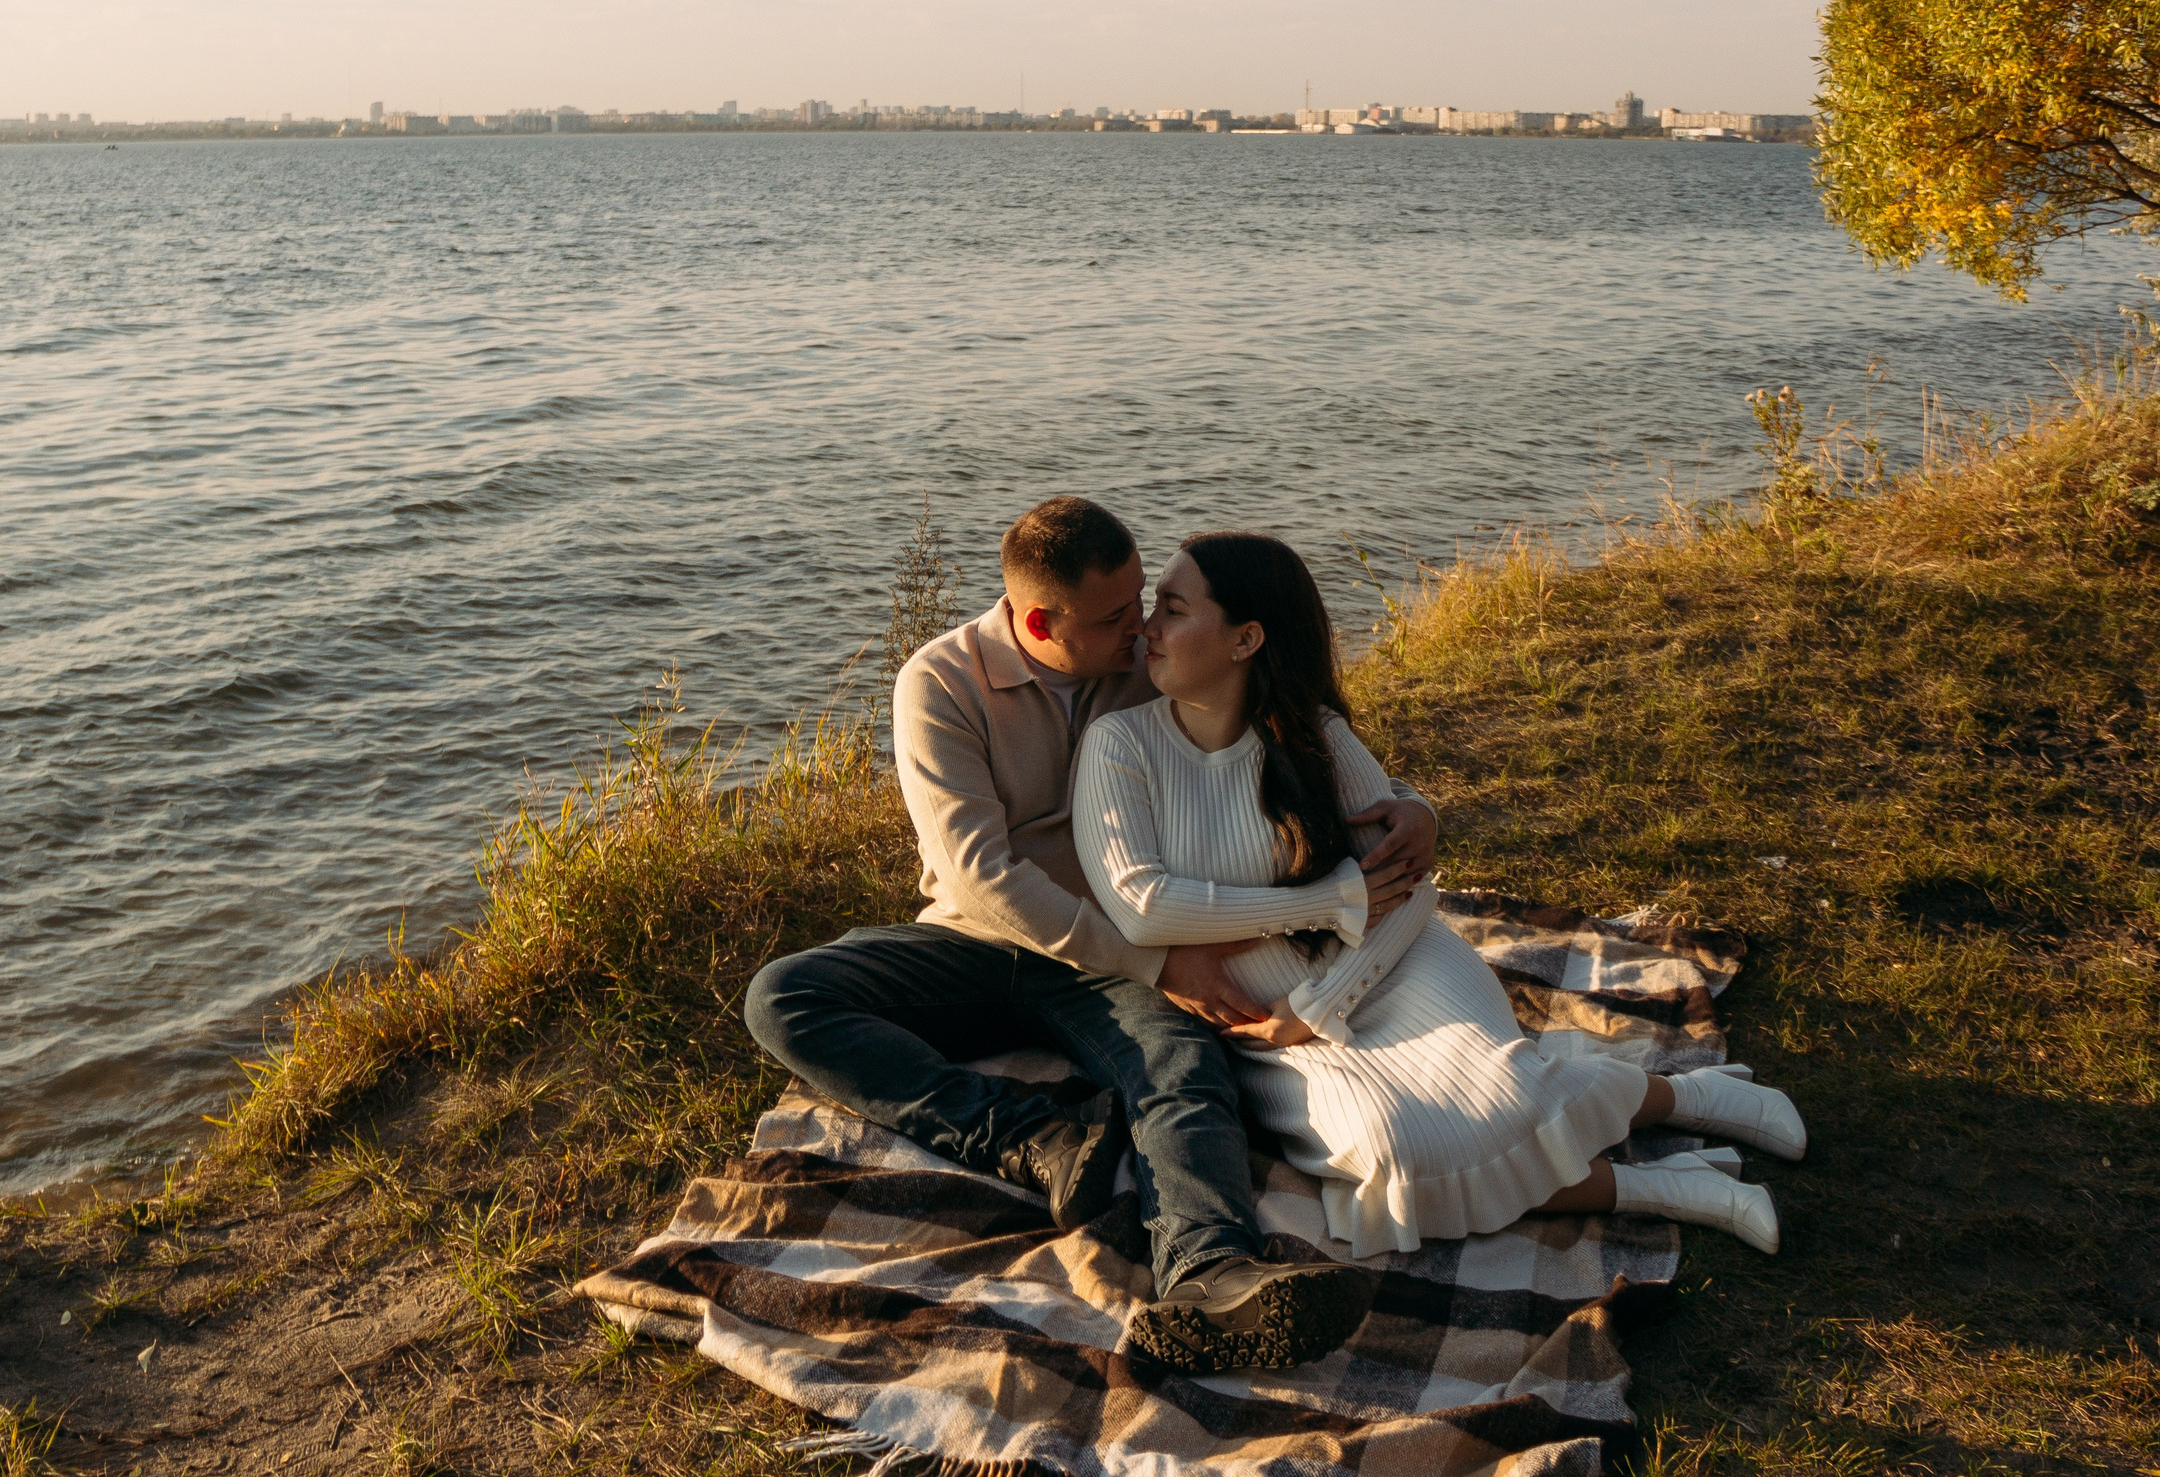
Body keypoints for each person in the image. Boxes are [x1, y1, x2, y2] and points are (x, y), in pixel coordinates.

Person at [745, 497, 1441, 1374]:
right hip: (985, 942)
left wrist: (1411, 802)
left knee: (1184, 1069)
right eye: (1117, 616)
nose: (1144, 628)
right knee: (784, 995)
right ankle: (1032, 1139)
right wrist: (1154, 960)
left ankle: (1209, 1274)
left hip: (1115, 954)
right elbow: (978, 876)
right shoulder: (940, 682)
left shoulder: (1142, 664)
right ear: (1040, 621)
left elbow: (1280, 713)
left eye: (1147, 601)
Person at [1069, 531, 1807, 1264]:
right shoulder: (1119, 746)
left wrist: (1326, 996)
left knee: (1508, 1094)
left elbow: (1408, 894)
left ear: (1245, 638)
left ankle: (1694, 1100)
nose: (1146, 627)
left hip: (1392, 967)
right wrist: (1329, 904)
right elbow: (1145, 906)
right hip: (1264, 1029)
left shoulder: (1313, 736)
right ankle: (1673, 1183)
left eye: (1171, 607)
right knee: (1393, 1153)